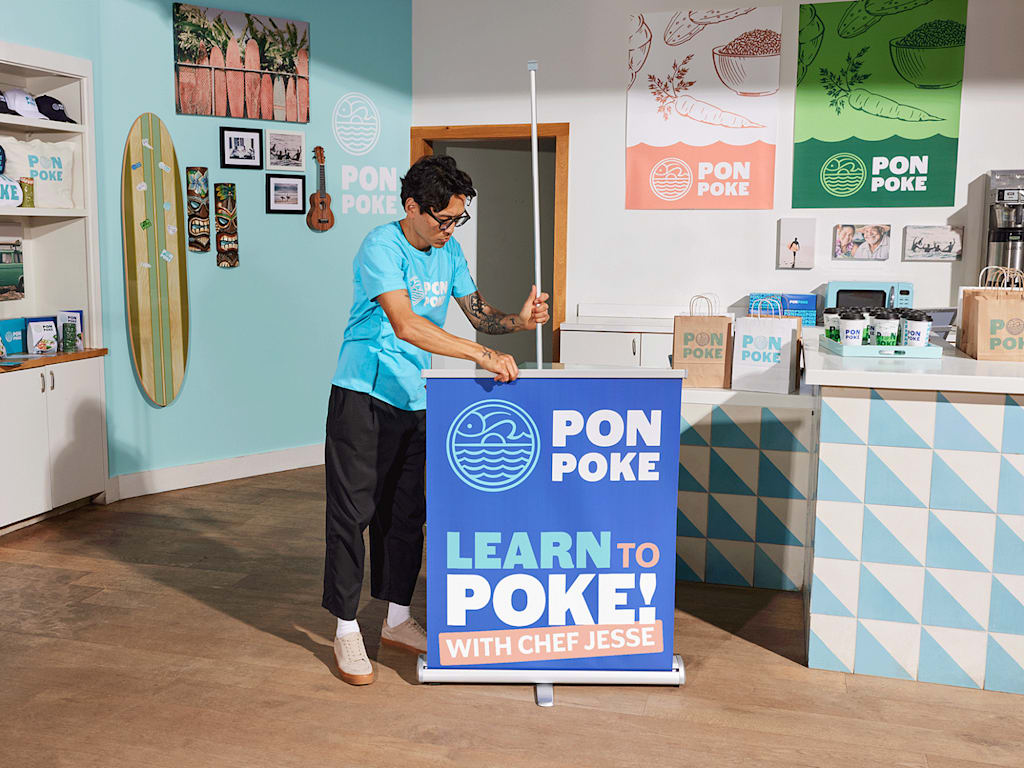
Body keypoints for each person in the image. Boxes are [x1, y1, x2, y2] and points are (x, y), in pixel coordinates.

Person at [322, 154, 550, 685]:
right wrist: (479, 358)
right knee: (352, 514)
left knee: (406, 515)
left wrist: (520, 319)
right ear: (412, 208)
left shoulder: (448, 254)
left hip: (417, 398)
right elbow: (404, 324)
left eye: (458, 219)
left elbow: (480, 316)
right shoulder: (382, 246)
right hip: (363, 394)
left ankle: (398, 619)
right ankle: (346, 628)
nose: (450, 229)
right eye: (443, 219)